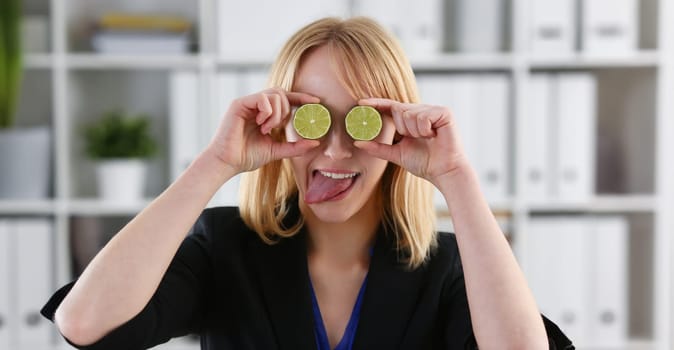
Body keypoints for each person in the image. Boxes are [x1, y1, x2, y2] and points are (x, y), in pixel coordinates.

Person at [41, 17, 573, 349]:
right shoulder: (226, 248)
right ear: (280, 121)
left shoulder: (448, 268)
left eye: (361, 121)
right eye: (314, 119)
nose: (336, 149)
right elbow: (84, 324)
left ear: (395, 127)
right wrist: (216, 162)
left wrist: (454, 176)